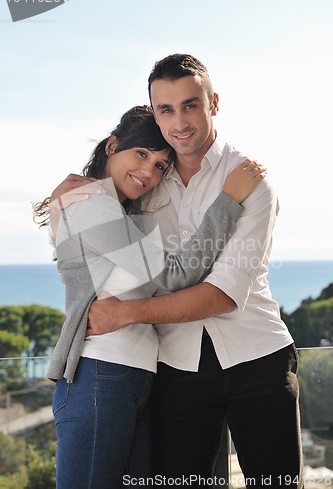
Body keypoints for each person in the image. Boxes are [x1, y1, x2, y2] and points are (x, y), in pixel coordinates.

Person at [80, 55, 304, 488]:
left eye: (190, 105)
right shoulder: (146, 181)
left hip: (258, 358)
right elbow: (99, 206)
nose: (179, 122)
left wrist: (128, 312)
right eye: (165, 110)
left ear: (213, 102)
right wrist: (70, 185)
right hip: (177, 368)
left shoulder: (250, 181)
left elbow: (222, 293)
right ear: (155, 114)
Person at [36, 104, 265, 489]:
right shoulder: (89, 204)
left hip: (139, 379)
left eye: (161, 165)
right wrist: (229, 200)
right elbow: (175, 275)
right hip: (99, 375)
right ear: (112, 146)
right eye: (141, 153)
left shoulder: (121, 211)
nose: (148, 172)